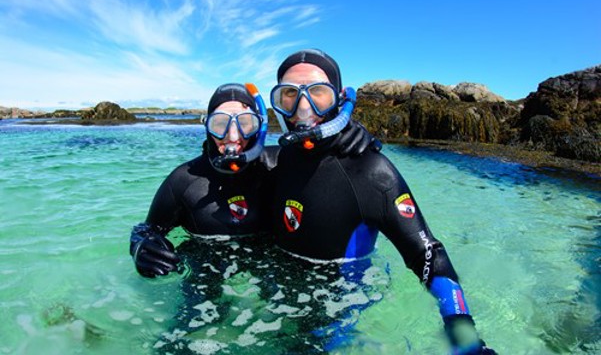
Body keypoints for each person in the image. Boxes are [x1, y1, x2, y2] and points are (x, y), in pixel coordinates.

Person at [268, 48, 496, 354]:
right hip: (275, 301)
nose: (302, 107)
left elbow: (428, 255)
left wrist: (465, 339)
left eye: (318, 93)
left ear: (338, 98)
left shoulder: (371, 172)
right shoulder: (278, 161)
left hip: (337, 309)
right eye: (289, 94)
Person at [129, 82, 375, 277]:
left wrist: (346, 136)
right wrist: (141, 246)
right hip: (206, 276)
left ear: (258, 128)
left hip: (272, 275)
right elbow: (147, 229)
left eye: (245, 123)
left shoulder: (278, 164)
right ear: (207, 126)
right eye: (220, 123)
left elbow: (323, 167)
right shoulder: (184, 180)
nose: (232, 136)